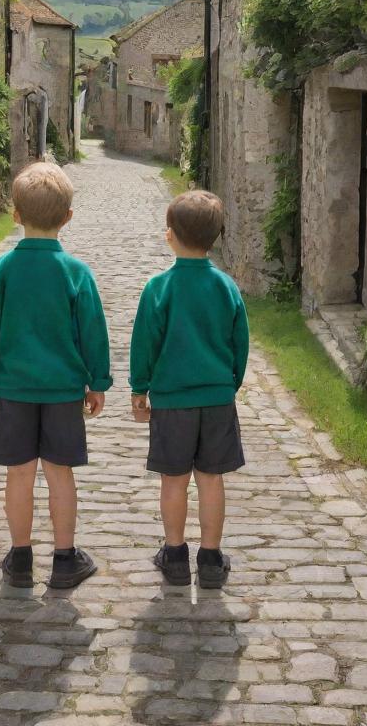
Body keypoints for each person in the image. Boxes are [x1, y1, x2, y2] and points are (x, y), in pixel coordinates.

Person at [0, 162, 111, 589]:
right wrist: (98, 382)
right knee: (60, 473)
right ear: (68, 218)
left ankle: (20, 558)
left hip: (14, 389)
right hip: (63, 391)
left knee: (18, 473)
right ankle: (65, 559)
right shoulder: (76, 273)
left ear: (15, 215)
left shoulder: (2, 270)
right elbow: (94, 331)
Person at [129, 190, 249, 588]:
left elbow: (144, 343)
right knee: (212, 479)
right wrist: (230, 382)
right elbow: (240, 342)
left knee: (174, 480)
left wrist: (140, 388)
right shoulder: (226, 288)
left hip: (173, 403)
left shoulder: (159, 289)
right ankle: (211, 559)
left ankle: (176, 554)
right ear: (216, 237)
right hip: (216, 399)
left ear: (170, 236)